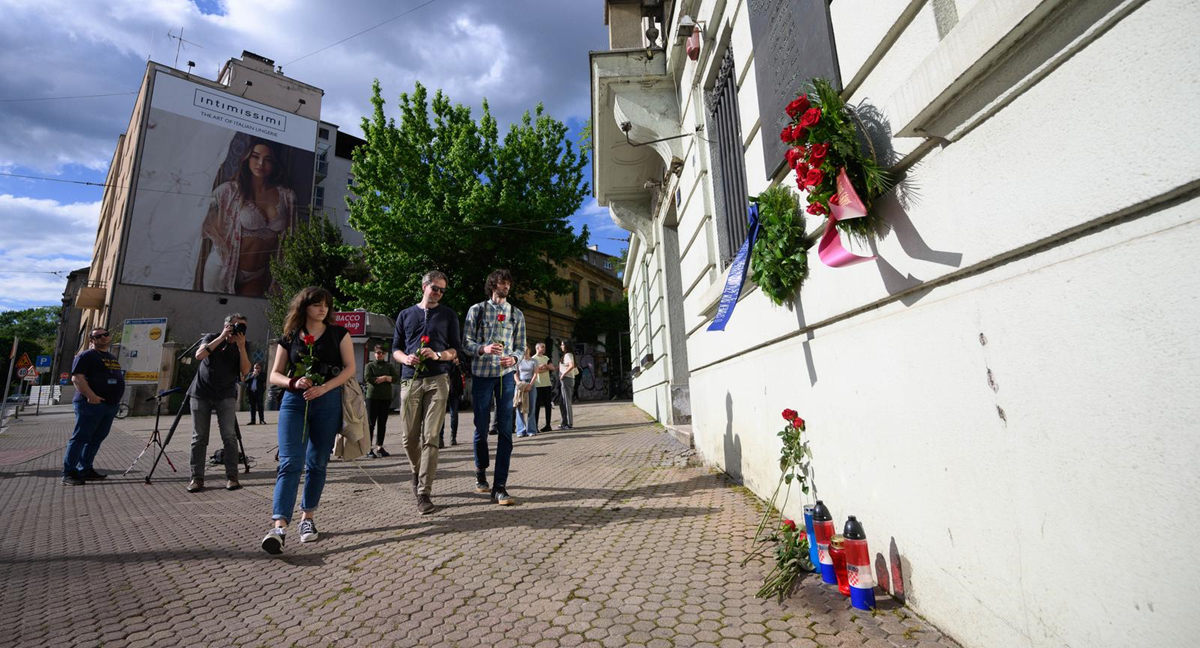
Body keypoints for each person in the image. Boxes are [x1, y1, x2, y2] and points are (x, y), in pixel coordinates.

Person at [261, 287, 356, 554]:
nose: (322, 309)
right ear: (305, 306)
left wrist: (325, 388)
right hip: (294, 401)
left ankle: (308, 518)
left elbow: (350, 368)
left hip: (328, 401)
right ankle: (279, 526)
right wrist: (294, 381)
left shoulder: (339, 333)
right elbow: (274, 375)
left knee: (317, 462)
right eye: (316, 304)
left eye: (326, 304)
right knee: (290, 462)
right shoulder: (290, 336)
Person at [392, 270, 460, 516]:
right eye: (435, 288)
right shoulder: (405, 315)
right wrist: (405, 358)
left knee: (431, 437)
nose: (438, 293)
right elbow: (395, 349)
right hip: (410, 381)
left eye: (442, 290)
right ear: (424, 286)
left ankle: (424, 492)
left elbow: (455, 350)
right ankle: (416, 470)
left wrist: (439, 354)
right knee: (409, 438)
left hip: (438, 379)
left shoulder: (448, 315)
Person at [196, 137, 296, 297]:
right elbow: (199, 217)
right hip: (223, 267)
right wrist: (218, 240)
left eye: (267, 159)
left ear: (274, 163)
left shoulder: (286, 196)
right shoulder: (229, 191)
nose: (261, 163)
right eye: (255, 156)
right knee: (216, 317)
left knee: (248, 317)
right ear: (247, 158)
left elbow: (291, 236)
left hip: (257, 274)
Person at [463, 269, 526, 506]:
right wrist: (483, 349)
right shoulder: (476, 310)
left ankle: (500, 486)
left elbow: (521, 346)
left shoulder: (516, 313)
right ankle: (481, 470)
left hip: (506, 376)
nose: (506, 286)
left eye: (509, 282)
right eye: (502, 282)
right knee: (481, 428)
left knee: (506, 431)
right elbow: (466, 342)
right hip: (481, 375)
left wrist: (515, 359)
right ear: (493, 284)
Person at [187, 313, 251, 493]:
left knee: (229, 436)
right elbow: (199, 355)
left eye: (243, 326)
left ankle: (232, 477)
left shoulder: (243, 345)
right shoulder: (211, 338)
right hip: (201, 393)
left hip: (226, 395)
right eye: (236, 325)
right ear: (226, 325)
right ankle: (196, 478)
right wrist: (223, 337)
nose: (239, 329)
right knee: (199, 437)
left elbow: (245, 371)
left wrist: (241, 347)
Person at [61, 328, 125, 485]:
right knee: (81, 438)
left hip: (109, 405)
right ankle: (69, 473)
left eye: (105, 334)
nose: (103, 337)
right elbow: (77, 378)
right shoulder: (86, 355)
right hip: (90, 404)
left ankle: (85, 469)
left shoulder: (111, 357)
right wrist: (91, 396)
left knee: (96, 438)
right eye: (98, 336)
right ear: (92, 341)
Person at [363, 345, 399, 458]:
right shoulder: (369, 366)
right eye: (378, 353)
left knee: (382, 423)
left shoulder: (389, 366)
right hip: (372, 397)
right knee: (371, 423)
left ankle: (380, 446)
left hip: (385, 397)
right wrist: (384, 379)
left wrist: (385, 378)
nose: (380, 355)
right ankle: (368, 448)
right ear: (374, 354)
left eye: (382, 353)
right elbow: (368, 378)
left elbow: (396, 377)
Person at [439, 357, 464, 447]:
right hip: (442, 388)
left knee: (454, 414)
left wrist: (459, 364)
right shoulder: (442, 355)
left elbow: (465, 372)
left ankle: (453, 437)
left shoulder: (459, 356)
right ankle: (440, 439)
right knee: (441, 414)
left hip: (455, 389)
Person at [515, 345, 538, 438]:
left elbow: (535, 374)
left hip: (530, 383)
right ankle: (520, 430)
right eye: (523, 350)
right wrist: (519, 384)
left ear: (529, 350)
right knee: (518, 407)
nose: (525, 351)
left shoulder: (534, 361)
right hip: (520, 384)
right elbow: (515, 374)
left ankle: (531, 430)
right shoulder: (518, 361)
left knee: (531, 407)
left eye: (526, 349)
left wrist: (530, 385)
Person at [533, 342, 554, 432]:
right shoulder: (533, 359)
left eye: (545, 347)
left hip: (547, 384)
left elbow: (552, 368)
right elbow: (535, 371)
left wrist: (544, 366)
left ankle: (548, 425)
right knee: (536, 406)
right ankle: (535, 426)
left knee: (548, 405)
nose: (544, 349)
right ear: (537, 348)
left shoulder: (546, 358)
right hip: (538, 385)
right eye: (542, 347)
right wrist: (545, 368)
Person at [557, 338, 578, 430]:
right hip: (565, 380)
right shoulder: (566, 355)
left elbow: (571, 365)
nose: (561, 346)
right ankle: (564, 422)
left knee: (566, 401)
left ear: (567, 346)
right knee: (562, 402)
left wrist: (564, 374)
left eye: (562, 345)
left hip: (567, 379)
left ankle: (569, 423)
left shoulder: (568, 355)